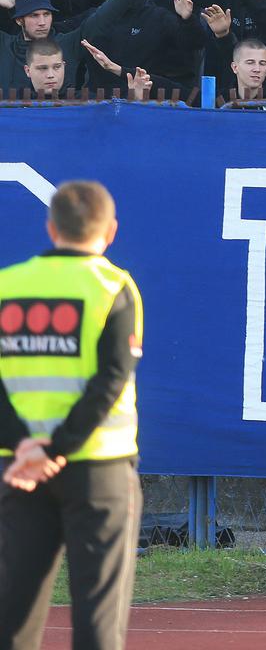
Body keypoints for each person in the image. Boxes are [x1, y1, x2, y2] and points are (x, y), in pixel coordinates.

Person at [0, 180, 143, 650]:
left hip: (17, 471)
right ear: (112, 231)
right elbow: (111, 380)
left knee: (13, 617)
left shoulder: (8, 285)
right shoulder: (115, 288)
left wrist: (27, 446)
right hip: (99, 471)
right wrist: (58, 448)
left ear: (50, 227)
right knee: (97, 620)